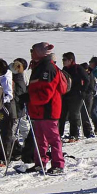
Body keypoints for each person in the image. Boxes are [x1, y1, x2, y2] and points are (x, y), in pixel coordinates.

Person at [19, 42, 67, 174]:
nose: (31, 53)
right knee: (40, 138)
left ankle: (58, 164)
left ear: (40, 53)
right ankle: (40, 162)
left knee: (53, 138)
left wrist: (30, 97)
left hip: (48, 109)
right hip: (39, 109)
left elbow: (46, 93)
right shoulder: (39, 66)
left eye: (33, 50)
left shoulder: (47, 68)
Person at [59, 52, 89, 142]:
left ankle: (74, 135)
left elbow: (86, 80)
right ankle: (59, 134)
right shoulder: (64, 69)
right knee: (62, 115)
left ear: (70, 60)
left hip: (76, 95)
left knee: (74, 115)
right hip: (65, 94)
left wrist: (82, 91)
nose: (63, 61)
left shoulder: (78, 68)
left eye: (64, 60)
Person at [80, 63, 96, 139]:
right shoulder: (87, 75)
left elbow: (91, 87)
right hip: (86, 96)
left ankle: (89, 131)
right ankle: (87, 131)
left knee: (85, 114)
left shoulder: (89, 76)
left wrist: (84, 92)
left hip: (88, 97)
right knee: (84, 114)